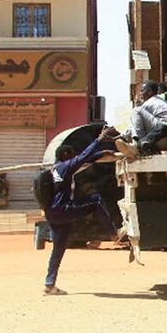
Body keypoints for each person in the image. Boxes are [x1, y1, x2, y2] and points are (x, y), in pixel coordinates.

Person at [43, 126, 121, 296]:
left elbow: (84, 162)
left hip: (53, 215)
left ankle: (49, 284)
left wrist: (101, 154)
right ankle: (114, 234)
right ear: (65, 156)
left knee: (58, 250)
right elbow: (83, 157)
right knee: (96, 200)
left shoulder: (56, 168)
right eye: (71, 154)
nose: (74, 157)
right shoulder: (65, 167)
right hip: (64, 210)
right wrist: (99, 140)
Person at [116, 80, 167, 157]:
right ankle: (138, 144)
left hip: (164, 132)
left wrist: (121, 136)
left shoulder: (150, 102)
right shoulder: (160, 101)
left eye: (142, 91)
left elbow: (135, 124)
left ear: (149, 92)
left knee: (136, 110)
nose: (140, 94)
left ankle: (137, 145)